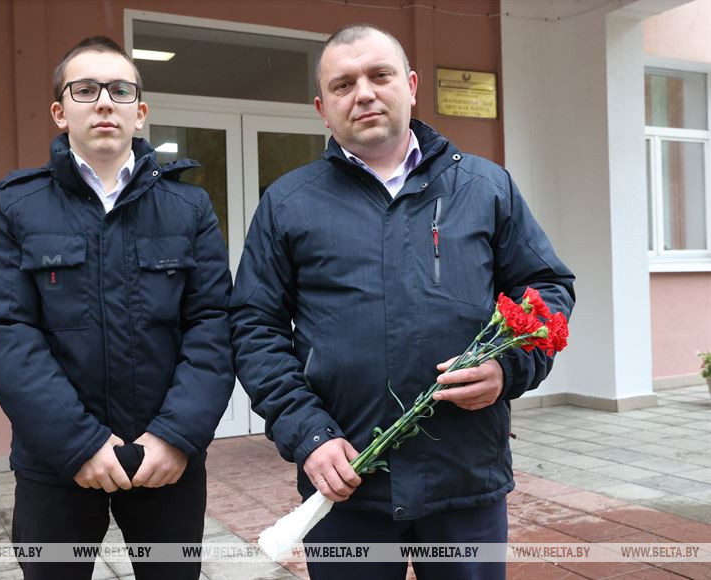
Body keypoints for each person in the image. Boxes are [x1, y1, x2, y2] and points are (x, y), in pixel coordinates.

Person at [230, 24, 575, 580]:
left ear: (411, 86)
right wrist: (308, 434)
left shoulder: (485, 187)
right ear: (322, 109)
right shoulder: (288, 203)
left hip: (464, 475)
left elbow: (547, 287)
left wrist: (508, 367)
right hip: (346, 482)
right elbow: (254, 326)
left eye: (379, 75)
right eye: (343, 84)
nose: (363, 93)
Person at [0, 36, 233, 580]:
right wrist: (79, 443)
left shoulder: (189, 207)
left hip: (166, 461)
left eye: (120, 90)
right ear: (59, 112)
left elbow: (213, 325)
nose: (105, 102)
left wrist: (176, 436)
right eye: (86, 90)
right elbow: (4, 332)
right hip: (56, 463)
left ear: (141, 111)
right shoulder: (17, 206)